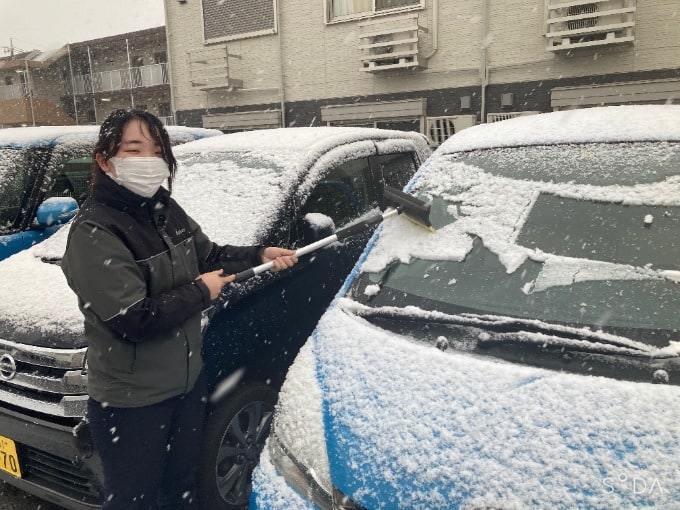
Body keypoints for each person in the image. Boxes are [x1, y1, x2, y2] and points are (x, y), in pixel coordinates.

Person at [61, 109, 297, 510]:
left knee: (181, 491)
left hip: (186, 386)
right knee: (134, 501)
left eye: (157, 150)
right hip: (131, 404)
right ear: (104, 159)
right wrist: (201, 293)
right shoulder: (96, 231)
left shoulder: (165, 210)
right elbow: (133, 318)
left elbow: (210, 255)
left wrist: (260, 253)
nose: (149, 160)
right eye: (134, 149)